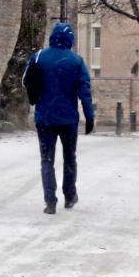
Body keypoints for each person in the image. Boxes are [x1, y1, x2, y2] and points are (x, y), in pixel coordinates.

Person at [22, 23, 95, 215]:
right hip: (68, 119)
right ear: (70, 40)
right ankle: (70, 195)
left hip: (44, 117)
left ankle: (50, 200)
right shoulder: (76, 61)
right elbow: (84, 91)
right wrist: (89, 116)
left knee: (47, 160)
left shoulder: (38, 57)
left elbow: (26, 80)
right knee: (70, 158)